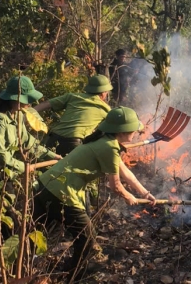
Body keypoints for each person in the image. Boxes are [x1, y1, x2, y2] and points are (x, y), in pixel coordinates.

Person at [33, 106, 156, 281]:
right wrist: (129, 197)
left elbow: (126, 173)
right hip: (60, 192)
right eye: (133, 129)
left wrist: (145, 193)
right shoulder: (108, 147)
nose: (137, 131)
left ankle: (55, 268)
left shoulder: (106, 141)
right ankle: (75, 274)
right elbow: (115, 186)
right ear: (122, 131)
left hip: (47, 186)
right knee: (86, 236)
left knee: (35, 230)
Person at [0, 76, 62, 181]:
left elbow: (27, 142)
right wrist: (23, 167)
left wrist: (52, 156)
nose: (29, 103)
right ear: (15, 99)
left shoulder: (18, 115)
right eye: (27, 99)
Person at [34, 74, 112, 156]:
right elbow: (111, 132)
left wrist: (29, 112)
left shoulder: (73, 96)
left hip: (53, 138)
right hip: (73, 143)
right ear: (104, 93)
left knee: (43, 167)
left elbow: (47, 103)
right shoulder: (106, 109)